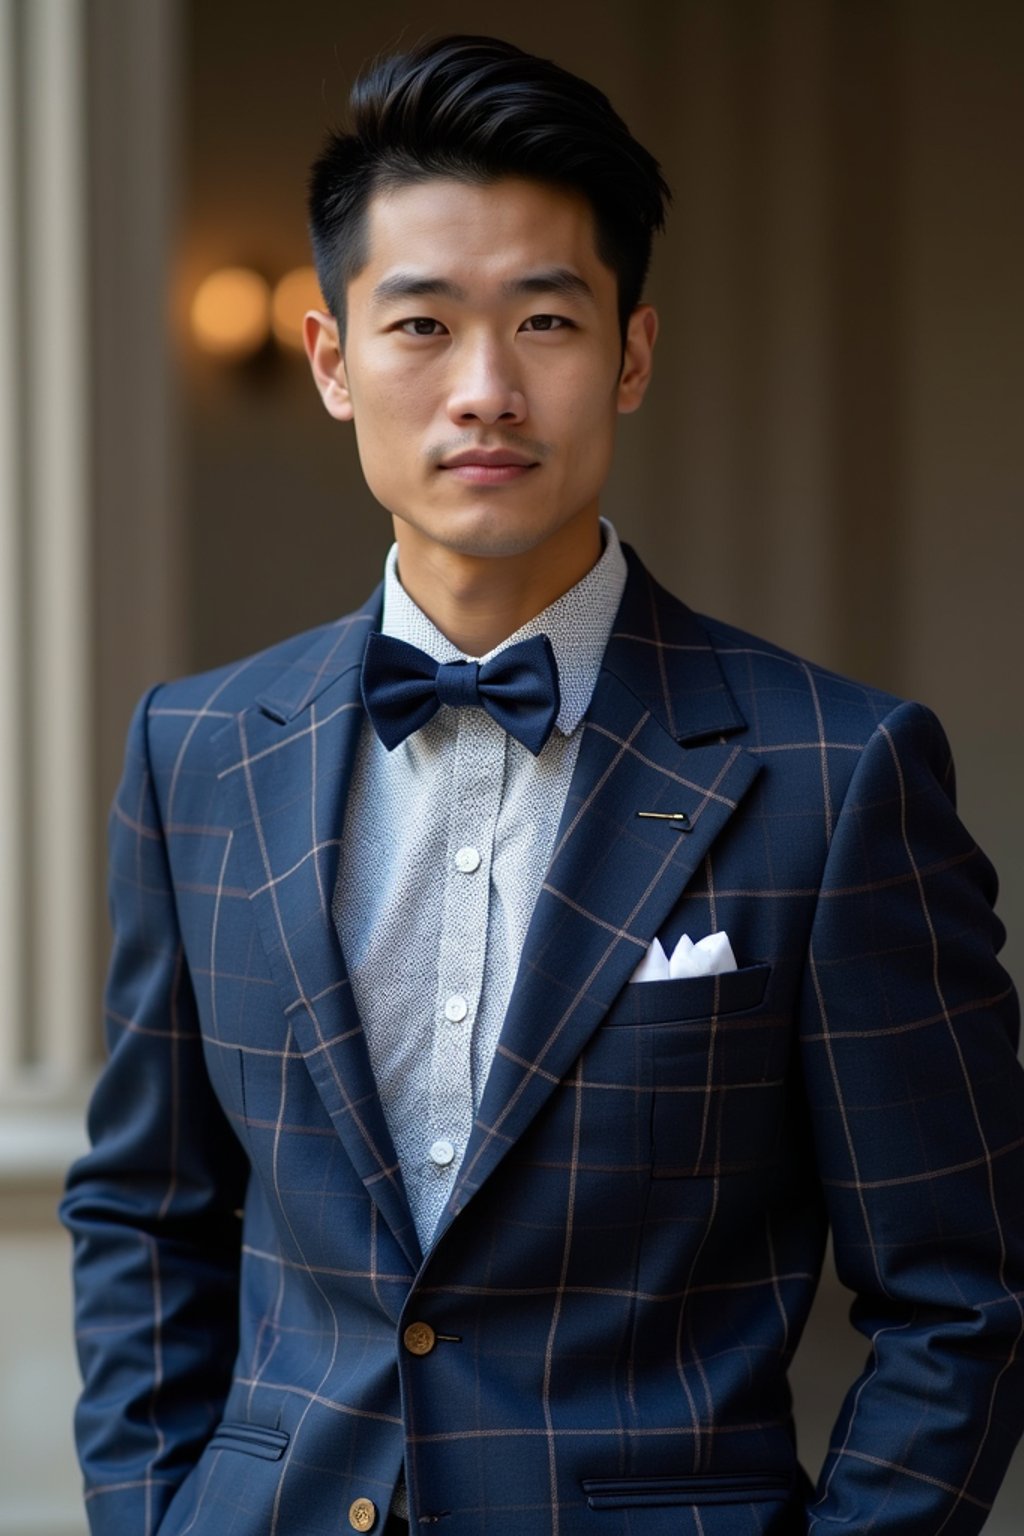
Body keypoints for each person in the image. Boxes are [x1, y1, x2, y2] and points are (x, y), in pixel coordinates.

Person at [61, 33, 1024, 1536]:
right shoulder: (194, 752)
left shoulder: (837, 774)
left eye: (547, 321)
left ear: (630, 354)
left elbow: (963, 1291)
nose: (487, 389)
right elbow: (145, 1212)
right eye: (424, 324)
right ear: (332, 359)